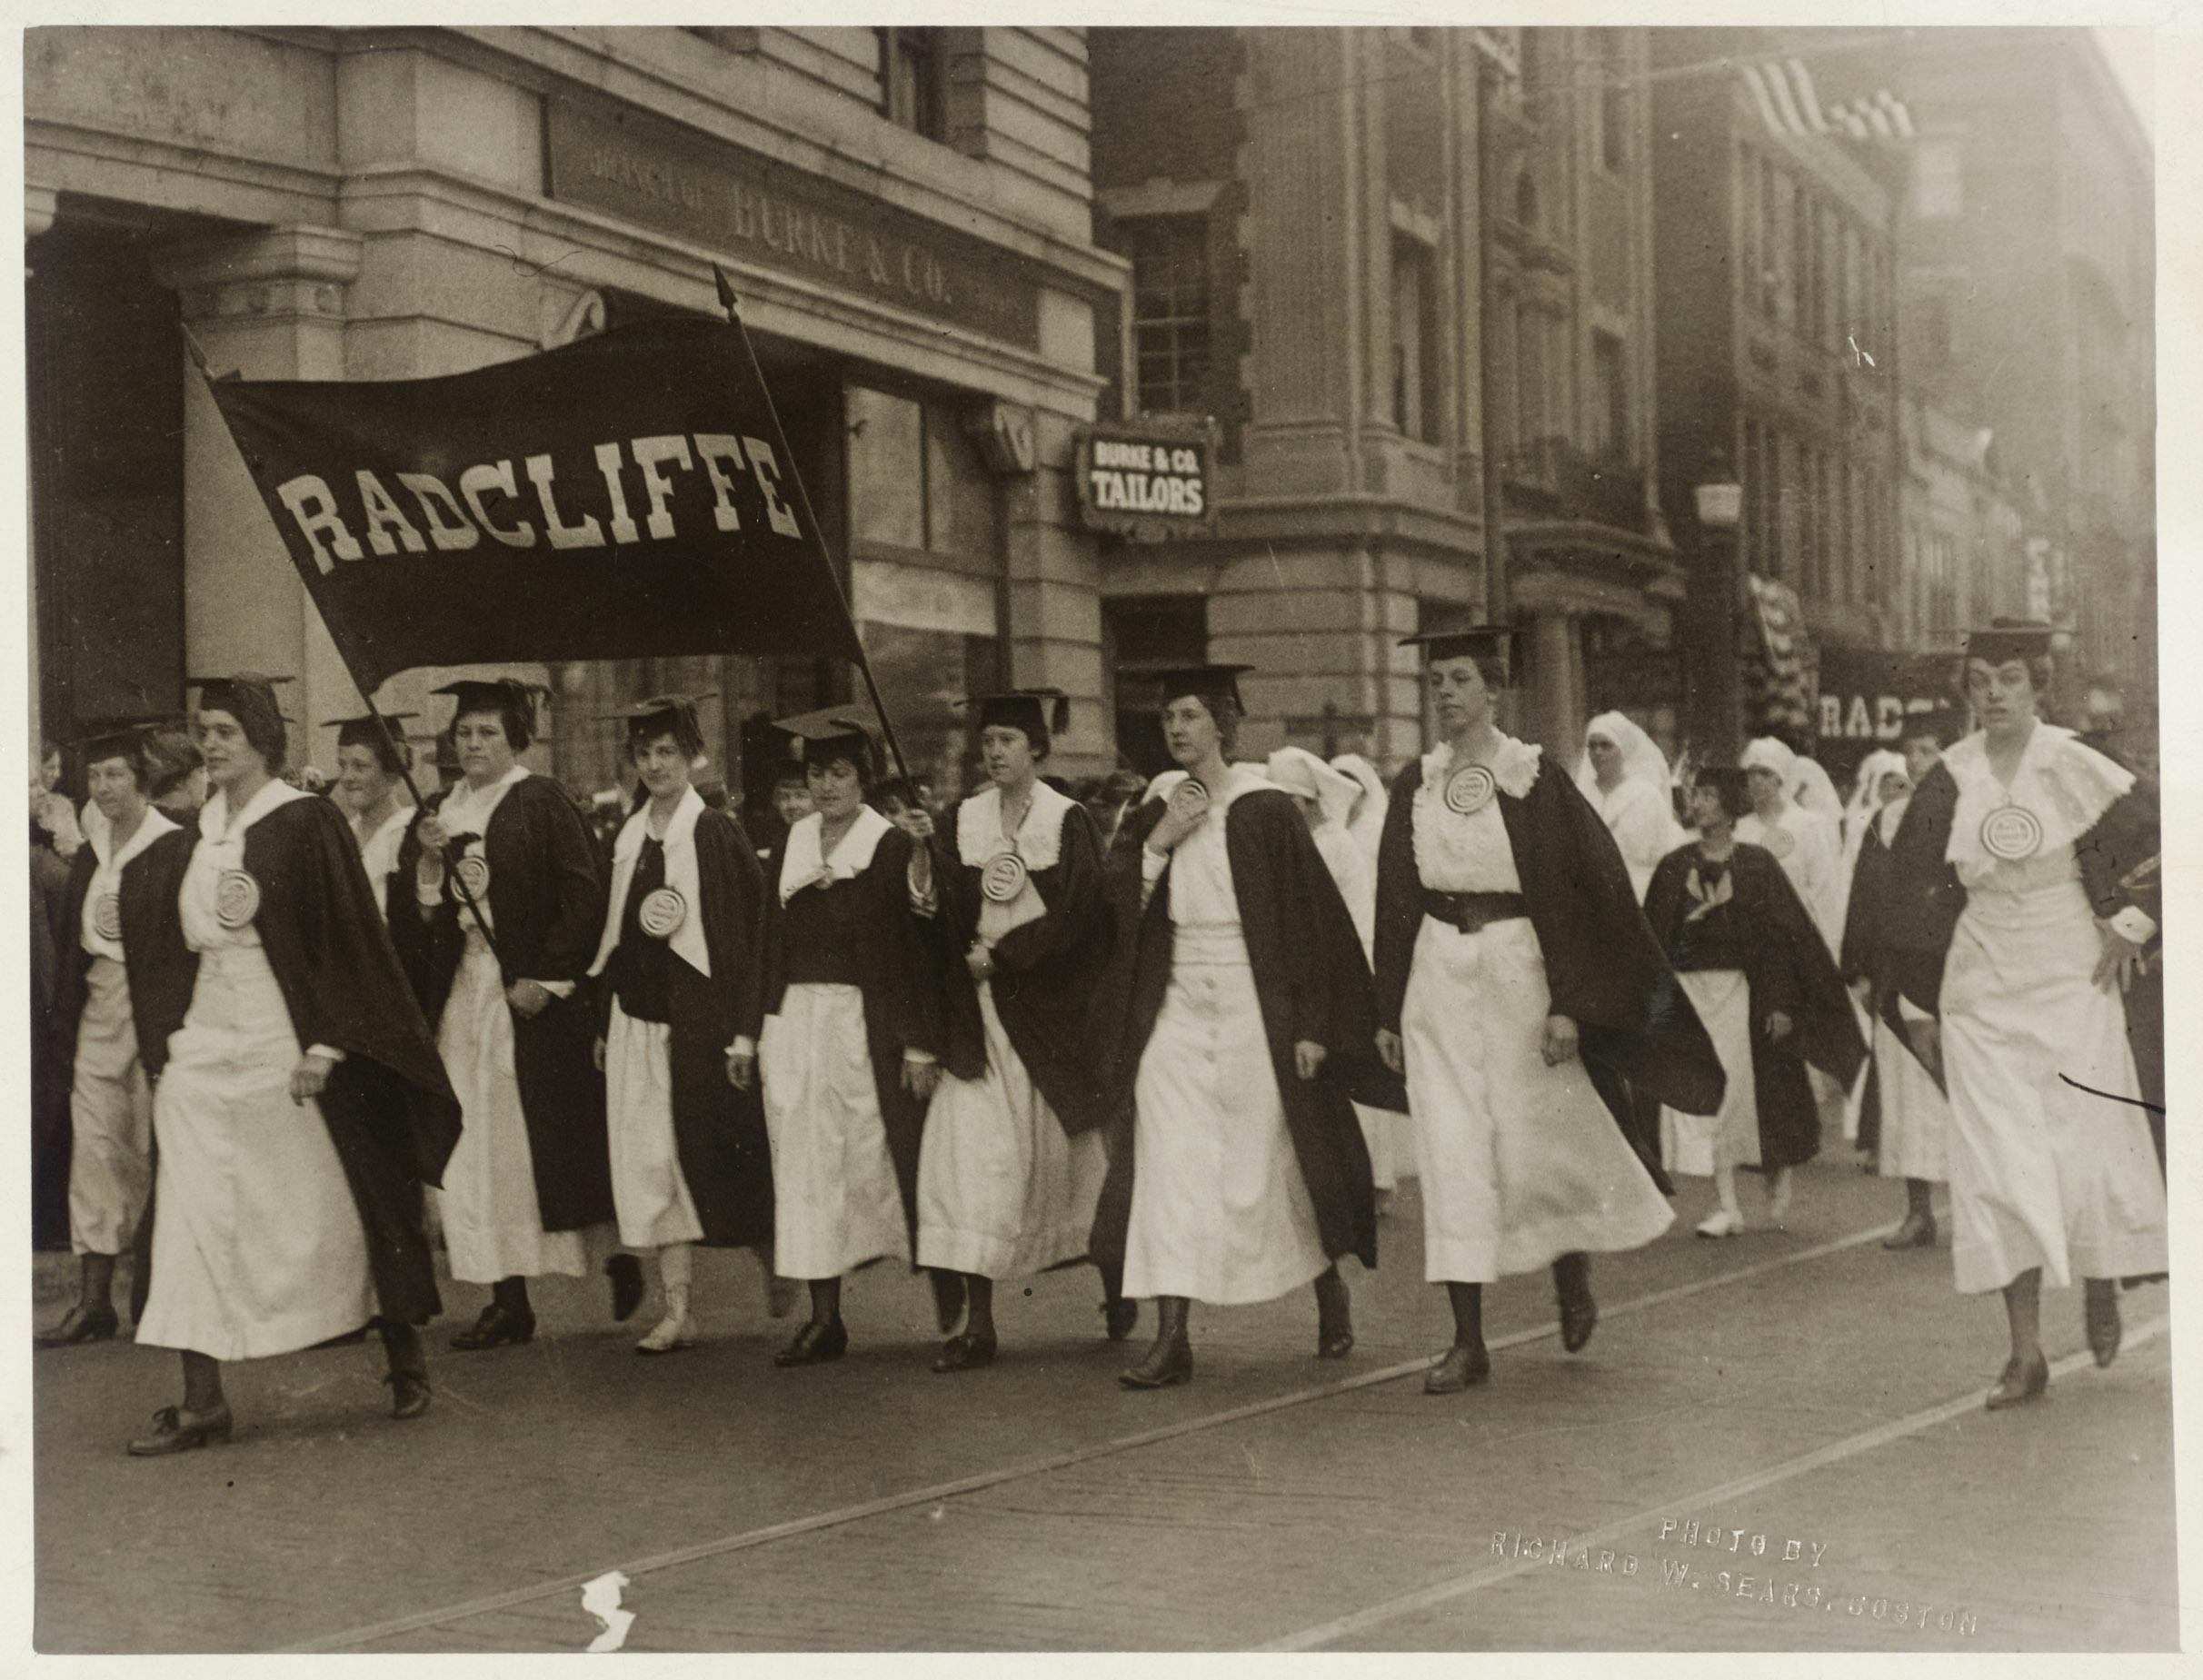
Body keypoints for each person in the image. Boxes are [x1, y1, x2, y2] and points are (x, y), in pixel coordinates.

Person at [1373, 631, 1720, 1394]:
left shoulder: (1533, 778)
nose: (1446, 693)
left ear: (1494, 690)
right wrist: (1387, 1008)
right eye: (1436, 680)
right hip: (1438, 972)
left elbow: (1585, 891)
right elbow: (1395, 897)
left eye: (1460, 678)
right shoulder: (1417, 784)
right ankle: (1468, 1339)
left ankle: (1571, 1268)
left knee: (1537, 1141)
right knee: (1452, 1150)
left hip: (1517, 972)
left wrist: (1569, 1004)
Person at [125, 674, 459, 1454]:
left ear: (262, 741)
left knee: (335, 1199)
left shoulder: (303, 823)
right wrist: (167, 1044)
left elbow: (347, 939)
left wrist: (325, 1045)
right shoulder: (194, 833)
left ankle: (402, 1349)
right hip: (206, 1039)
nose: (212, 743)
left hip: (286, 1033)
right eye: (204, 730)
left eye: (226, 731)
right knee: (189, 1210)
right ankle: (202, 1398)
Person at [1879, 622, 2165, 1409]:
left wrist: (2132, 923)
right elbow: (1907, 897)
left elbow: (2169, 843)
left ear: (2039, 685)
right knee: (1999, 1163)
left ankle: (2102, 1276)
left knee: (2082, 1141)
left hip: (2071, 971)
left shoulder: (2079, 761)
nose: (1995, 693)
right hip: (1982, 984)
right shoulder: (1947, 779)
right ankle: (2025, 1351)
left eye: (2010, 678)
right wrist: (1916, 998)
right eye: (1980, 680)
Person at [1089, 666, 1379, 1390]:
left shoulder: (1265, 807)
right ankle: (1173, 1335)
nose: (1178, 729)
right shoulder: (1157, 802)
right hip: (1177, 1003)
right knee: (1168, 1163)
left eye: (1190, 715)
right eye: (1168, 718)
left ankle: (1326, 1285)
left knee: (1274, 1157)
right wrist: (1159, 841)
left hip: (1256, 1002)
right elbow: (1114, 905)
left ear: (1223, 723)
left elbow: (1311, 922)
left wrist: (1312, 1023)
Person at [390, 679, 634, 1351]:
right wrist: (431, 859)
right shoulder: (441, 806)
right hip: (467, 990)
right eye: (464, 732)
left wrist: (550, 979)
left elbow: (584, 897)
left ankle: (619, 1257)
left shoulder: (540, 801)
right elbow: (426, 913)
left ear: (515, 738)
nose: (473, 743)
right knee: (472, 1144)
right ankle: (505, 1296)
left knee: (533, 1147)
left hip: (527, 999)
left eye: (487, 732)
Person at [903, 690, 1122, 1371]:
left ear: (1036, 749)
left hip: (1046, 1015)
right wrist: (921, 857)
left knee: (1072, 1163)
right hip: (979, 1020)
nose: (995, 752)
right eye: (988, 741)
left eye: (1008, 740)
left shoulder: (1067, 820)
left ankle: (1116, 1282)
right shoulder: (961, 818)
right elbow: (935, 912)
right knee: (970, 1161)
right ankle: (980, 1322)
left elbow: (1084, 917)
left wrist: (1004, 956)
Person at [727, 713, 942, 1367]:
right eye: (816, 773)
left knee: (875, 1161)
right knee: (804, 1168)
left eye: (840, 772)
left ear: (865, 780)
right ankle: (825, 1317)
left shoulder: (888, 845)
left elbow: (912, 953)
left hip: (862, 1025)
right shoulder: (791, 842)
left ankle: (950, 1301)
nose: (825, 786)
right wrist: (746, 1033)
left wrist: (917, 1045)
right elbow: (767, 941)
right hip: (796, 1023)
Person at [586, 696, 777, 1354]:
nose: (655, 765)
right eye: (644, 754)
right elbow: (615, 934)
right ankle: (678, 1306)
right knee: (651, 1165)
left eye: (667, 751)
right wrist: (607, 1022)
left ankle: (773, 1255)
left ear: (691, 756)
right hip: (638, 1019)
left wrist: (741, 1031)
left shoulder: (713, 832)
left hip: (698, 1024)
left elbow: (745, 936)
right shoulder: (629, 836)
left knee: (719, 1158)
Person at [1645, 770, 1865, 1238]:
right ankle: (1726, 1205)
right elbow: (1652, 938)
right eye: (1695, 796)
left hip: (1742, 995)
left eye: (1708, 796)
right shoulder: (1674, 865)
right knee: (1712, 1097)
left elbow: (1783, 941)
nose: (1699, 804)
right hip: (1692, 996)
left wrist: (1780, 1003)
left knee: (1752, 1097)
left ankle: (1775, 1174)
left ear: (1729, 806)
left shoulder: (1757, 866)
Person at [35, 726, 181, 1345]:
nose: (104, 788)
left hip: (156, 1018)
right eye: (95, 777)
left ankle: (166, 1296)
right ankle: (94, 1301)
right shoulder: (93, 849)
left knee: (159, 1151)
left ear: (142, 780)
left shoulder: (173, 844)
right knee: (94, 1153)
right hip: (98, 1013)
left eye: (116, 775)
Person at [1268, 745, 1411, 1216]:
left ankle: (1370, 1182)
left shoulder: (1332, 843)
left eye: (1290, 801)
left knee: (1352, 1071)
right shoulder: (1307, 843)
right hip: (1324, 966)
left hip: (1348, 968)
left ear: (1308, 802)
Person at [1839, 750, 1951, 1250]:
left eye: (1932, 751)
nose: (1921, 762)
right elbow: (1863, 896)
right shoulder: (1881, 823)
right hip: (1895, 974)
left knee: (1962, 1097)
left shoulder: (1962, 815)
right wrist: (1859, 971)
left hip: (1952, 975)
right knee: (1906, 1101)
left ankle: (1979, 1212)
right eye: (1915, 753)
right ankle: (1919, 1212)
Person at [1737, 736, 1846, 952]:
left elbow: (1826, 895)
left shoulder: (1810, 826)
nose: (1757, 780)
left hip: (1800, 945)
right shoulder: (1741, 829)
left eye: (1766, 773)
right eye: (1751, 773)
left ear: (1781, 779)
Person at [1573, 711, 1685, 903]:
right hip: (1591, 899)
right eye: (1592, 746)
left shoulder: (1646, 797)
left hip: (1639, 896)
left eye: (1606, 745)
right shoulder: (1578, 796)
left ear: (1622, 749)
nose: (1597, 752)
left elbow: (1667, 855)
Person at [327, 711, 418, 921]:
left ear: (392, 770)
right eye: (343, 765)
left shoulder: (409, 832)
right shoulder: (345, 832)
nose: (347, 777)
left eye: (360, 766)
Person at [1330, 752, 1390, 870]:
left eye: (1350, 790)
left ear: (1363, 794)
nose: (1342, 796)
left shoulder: (1378, 829)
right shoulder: (1328, 826)